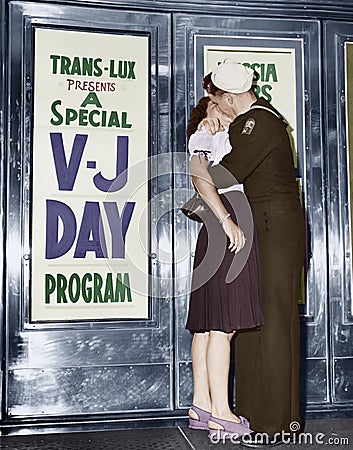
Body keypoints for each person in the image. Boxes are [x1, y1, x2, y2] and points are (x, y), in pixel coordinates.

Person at [199, 59, 306, 446]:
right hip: (259, 229)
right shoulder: (256, 122)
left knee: (272, 322)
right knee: (251, 321)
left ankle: (275, 421)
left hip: (273, 231)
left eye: (216, 101)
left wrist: (198, 153)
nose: (215, 107)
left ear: (230, 97)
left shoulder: (259, 122)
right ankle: (256, 414)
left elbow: (225, 174)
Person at [185, 94, 264, 441]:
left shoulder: (217, 138)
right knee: (223, 326)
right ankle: (221, 412)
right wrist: (228, 220)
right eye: (214, 106)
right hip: (225, 219)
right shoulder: (208, 136)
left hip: (215, 227)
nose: (223, 110)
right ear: (207, 113)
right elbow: (200, 179)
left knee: (207, 324)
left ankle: (201, 404)